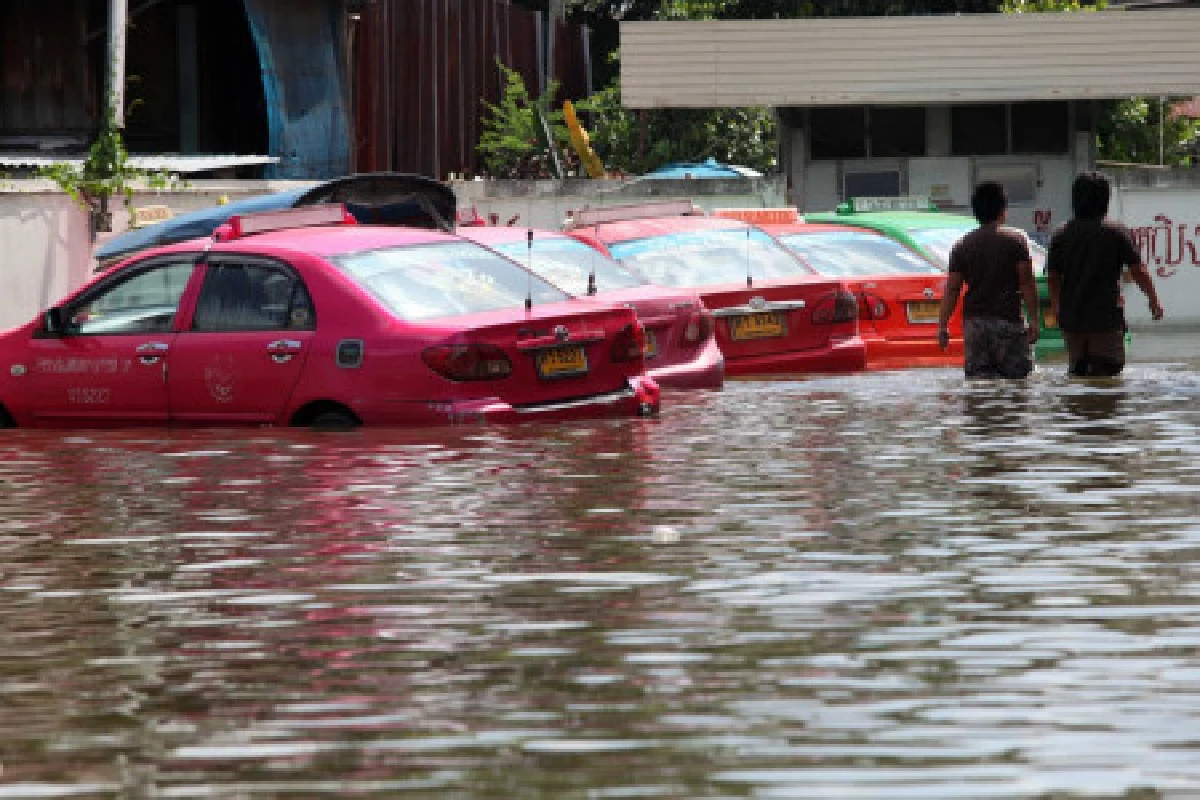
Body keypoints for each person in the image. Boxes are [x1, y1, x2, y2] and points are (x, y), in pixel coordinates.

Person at [1046, 171, 1164, 377]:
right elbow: (1139, 271)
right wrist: (1153, 300)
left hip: (1072, 322)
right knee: (1106, 376)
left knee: (1078, 373)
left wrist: (1056, 305)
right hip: (1105, 321)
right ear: (1105, 199)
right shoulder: (1116, 232)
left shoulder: (1061, 234)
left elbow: (1053, 275)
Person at [937, 181, 1039, 379]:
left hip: (975, 326)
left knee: (979, 384)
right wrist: (1034, 320)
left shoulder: (962, 245)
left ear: (976, 212)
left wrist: (942, 325)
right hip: (1007, 321)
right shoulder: (1016, 240)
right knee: (1017, 383)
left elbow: (952, 290)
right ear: (1003, 211)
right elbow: (1026, 283)